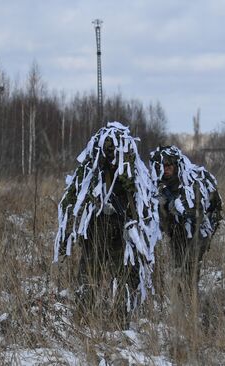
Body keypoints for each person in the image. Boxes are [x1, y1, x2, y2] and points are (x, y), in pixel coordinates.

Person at [54, 122, 160, 328]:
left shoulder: (133, 175)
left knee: (123, 278)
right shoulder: (91, 172)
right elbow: (71, 200)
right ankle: (84, 319)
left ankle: (121, 323)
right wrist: (68, 232)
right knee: (88, 276)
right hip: (94, 234)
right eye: (108, 152)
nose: (112, 158)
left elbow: (145, 206)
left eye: (115, 153)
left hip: (122, 237)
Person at [149, 145, 222, 295]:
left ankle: (191, 302)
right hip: (176, 234)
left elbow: (198, 212)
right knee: (178, 270)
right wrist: (161, 209)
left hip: (196, 235)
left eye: (169, 165)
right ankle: (184, 301)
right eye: (162, 166)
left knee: (190, 270)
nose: (166, 169)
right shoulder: (159, 184)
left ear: (176, 165)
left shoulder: (189, 181)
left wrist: (178, 207)